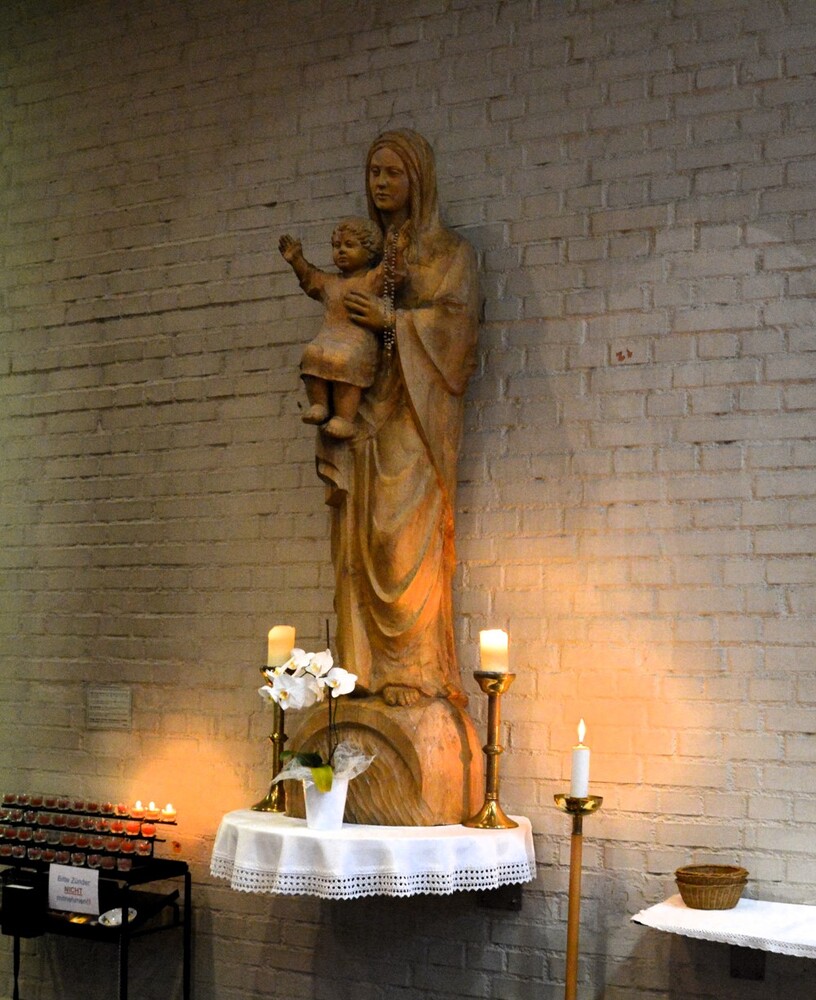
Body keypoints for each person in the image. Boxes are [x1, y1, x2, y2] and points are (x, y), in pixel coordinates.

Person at [316, 129, 480, 708]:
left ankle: (413, 671)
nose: (381, 183)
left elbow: (457, 331)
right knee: (358, 541)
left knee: (400, 542)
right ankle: (360, 669)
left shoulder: (451, 254)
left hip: (414, 415)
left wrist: (393, 321)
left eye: (393, 173)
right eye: (374, 173)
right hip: (363, 410)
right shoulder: (364, 254)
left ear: (419, 180)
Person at [279, 217, 393, 440]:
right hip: (329, 335)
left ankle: (345, 418)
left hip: (357, 339)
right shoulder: (330, 282)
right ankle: (319, 404)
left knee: (344, 360)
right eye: (336, 246)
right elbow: (310, 278)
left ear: (370, 251)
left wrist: (395, 249)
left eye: (349, 245)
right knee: (312, 353)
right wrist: (297, 260)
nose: (341, 251)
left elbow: (390, 272)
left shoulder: (371, 280)